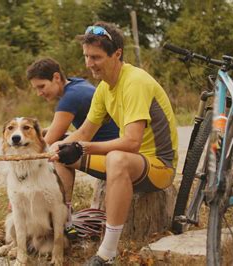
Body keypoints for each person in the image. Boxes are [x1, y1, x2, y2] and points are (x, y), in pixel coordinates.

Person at [49, 21, 178, 265]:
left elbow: (131, 143)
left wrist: (83, 147)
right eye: (86, 56)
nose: (89, 64)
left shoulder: (135, 82)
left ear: (117, 54)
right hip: (132, 162)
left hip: (158, 166)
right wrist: (57, 147)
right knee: (63, 154)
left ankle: (107, 253)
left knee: (116, 158)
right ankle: (67, 225)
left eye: (96, 57)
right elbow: (85, 132)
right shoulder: (103, 89)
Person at [26, 58, 119, 236]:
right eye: (36, 88)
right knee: (61, 146)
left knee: (60, 156)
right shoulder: (77, 85)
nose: (39, 93)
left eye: (41, 86)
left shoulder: (70, 99)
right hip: (107, 144)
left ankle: (65, 221)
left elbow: (48, 143)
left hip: (112, 153)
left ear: (56, 77)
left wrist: (24, 170)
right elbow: (55, 131)